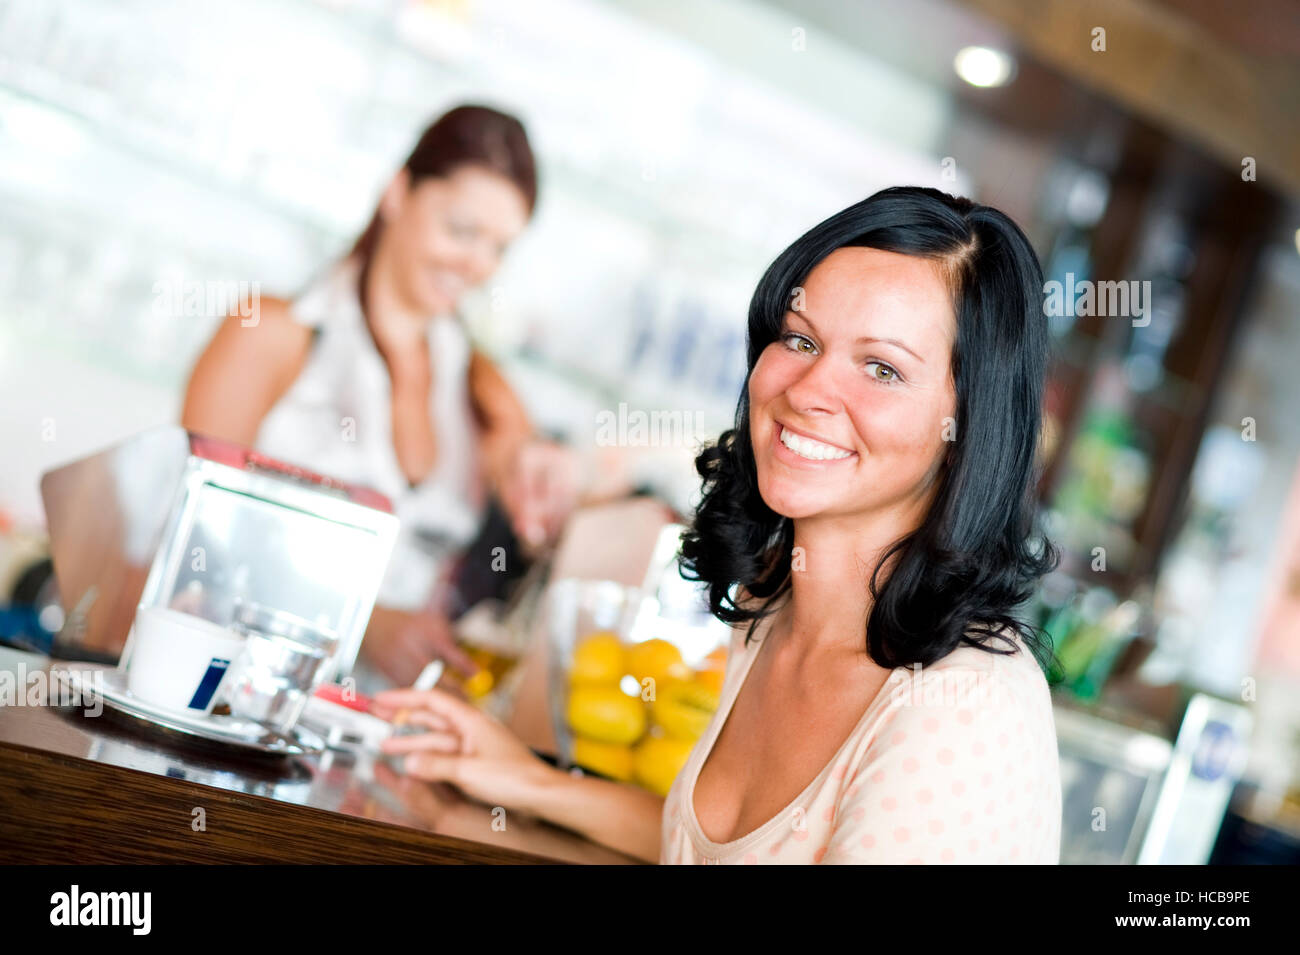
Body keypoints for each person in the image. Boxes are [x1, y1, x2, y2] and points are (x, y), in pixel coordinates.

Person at [370, 185, 1065, 864]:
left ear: (968, 426)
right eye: (800, 339)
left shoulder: (963, 710)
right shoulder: (771, 606)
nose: (809, 388)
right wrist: (519, 777)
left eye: (882, 369)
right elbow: (699, 846)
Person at [182, 105, 583, 689]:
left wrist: (564, 478)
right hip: (226, 695)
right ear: (397, 192)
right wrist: (364, 622)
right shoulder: (272, 333)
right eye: (461, 231)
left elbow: (542, 503)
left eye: (498, 248)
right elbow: (191, 535)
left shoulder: (480, 385)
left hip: (370, 734)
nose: (475, 264)